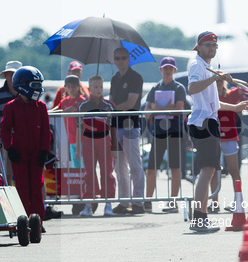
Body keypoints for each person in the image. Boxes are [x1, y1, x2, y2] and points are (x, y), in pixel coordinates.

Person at [187, 31, 248, 231]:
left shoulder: (207, 67)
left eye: (214, 46)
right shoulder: (198, 65)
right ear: (198, 47)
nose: (211, 49)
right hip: (203, 123)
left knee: (210, 170)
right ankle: (198, 219)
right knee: (206, 171)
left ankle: (202, 217)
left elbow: (214, 102)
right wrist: (215, 78)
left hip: (209, 122)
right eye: (207, 45)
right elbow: (192, 88)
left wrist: (236, 107)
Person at [0, 66, 50, 223]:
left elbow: (46, 132)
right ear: (23, 85)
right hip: (19, 153)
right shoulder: (11, 107)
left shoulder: (41, 107)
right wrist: (10, 148)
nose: (39, 89)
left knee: (36, 186)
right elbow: (5, 129)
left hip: (36, 153)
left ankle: (38, 220)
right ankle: (23, 220)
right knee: (22, 187)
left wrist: (44, 151)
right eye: (35, 85)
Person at [144, 57, 187, 212]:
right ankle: (147, 201)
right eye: (165, 68)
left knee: (175, 167)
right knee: (151, 168)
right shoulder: (154, 88)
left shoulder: (179, 87)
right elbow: (147, 111)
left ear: (174, 70)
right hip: (158, 132)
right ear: (160, 70)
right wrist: (163, 109)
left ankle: (172, 201)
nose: (167, 71)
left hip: (175, 131)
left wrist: (158, 109)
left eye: (170, 68)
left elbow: (178, 108)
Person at [110, 47, 145, 215]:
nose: (120, 61)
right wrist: (109, 109)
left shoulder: (136, 77)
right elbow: (111, 101)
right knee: (119, 167)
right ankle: (124, 202)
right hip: (116, 126)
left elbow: (131, 103)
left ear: (129, 59)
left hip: (130, 126)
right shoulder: (114, 78)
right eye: (117, 58)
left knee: (134, 165)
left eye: (123, 58)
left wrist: (111, 108)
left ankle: (138, 202)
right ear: (114, 60)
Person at [77, 76, 116, 217]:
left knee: (107, 172)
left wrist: (115, 148)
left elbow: (114, 128)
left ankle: (108, 204)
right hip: (88, 141)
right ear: (89, 88)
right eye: (95, 87)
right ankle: (88, 205)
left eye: (100, 86)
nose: (98, 89)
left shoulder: (109, 105)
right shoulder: (83, 106)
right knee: (89, 173)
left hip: (105, 140)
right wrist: (78, 147)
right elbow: (78, 128)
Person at [216, 77, 244, 209]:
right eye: (216, 80)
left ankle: (237, 201)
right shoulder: (209, 96)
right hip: (213, 137)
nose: (219, 83)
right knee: (213, 171)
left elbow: (244, 87)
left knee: (234, 171)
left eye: (221, 80)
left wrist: (232, 79)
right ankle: (214, 202)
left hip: (230, 137)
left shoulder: (231, 95)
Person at [0, 60, 21, 125]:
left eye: (15, 74)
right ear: (5, 75)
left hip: (23, 135)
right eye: (11, 74)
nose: (13, 77)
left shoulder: (27, 94)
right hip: (3, 134)